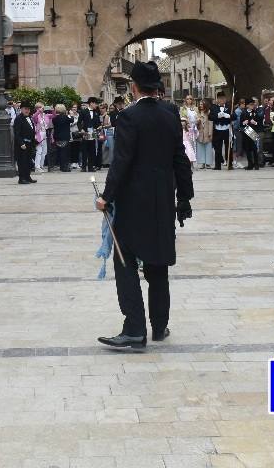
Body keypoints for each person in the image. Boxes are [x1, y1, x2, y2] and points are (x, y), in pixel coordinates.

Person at [96, 61, 193, 350]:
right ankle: (159, 326)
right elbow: (181, 159)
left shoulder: (128, 117)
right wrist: (184, 197)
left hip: (133, 203)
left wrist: (106, 196)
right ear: (157, 87)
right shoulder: (170, 113)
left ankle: (135, 329)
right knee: (158, 263)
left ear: (135, 88)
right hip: (162, 201)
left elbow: (121, 162)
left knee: (125, 263)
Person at [14, 99, 36, 184]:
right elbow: (17, 133)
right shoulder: (18, 119)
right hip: (22, 144)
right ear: (21, 109)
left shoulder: (29, 118)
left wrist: (33, 142)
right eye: (25, 109)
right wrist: (21, 143)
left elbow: (31, 130)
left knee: (28, 161)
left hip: (29, 143)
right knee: (22, 162)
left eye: (28, 109)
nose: (27, 110)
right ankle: (22, 178)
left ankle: (27, 176)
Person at [209, 92, 232, 169]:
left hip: (227, 129)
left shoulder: (229, 107)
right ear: (217, 99)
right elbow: (210, 117)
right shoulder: (214, 107)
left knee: (228, 147)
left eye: (223, 98)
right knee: (217, 148)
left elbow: (234, 116)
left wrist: (228, 116)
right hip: (217, 130)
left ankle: (229, 164)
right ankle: (217, 165)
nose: (222, 100)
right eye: (220, 98)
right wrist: (217, 116)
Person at [52, 104, 72, 172]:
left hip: (57, 137)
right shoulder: (65, 117)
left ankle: (61, 166)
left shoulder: (54, 118)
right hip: (65, 137)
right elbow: (71, 120)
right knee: (65, 153)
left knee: (60, 152)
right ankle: (64, 167)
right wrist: (71, 115)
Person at [180, 95, 199, 167]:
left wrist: (197, 121)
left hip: (195, 127)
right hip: (187, 128)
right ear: (185, 100)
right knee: (188, 146)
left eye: (190, 99)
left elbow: (198, 117)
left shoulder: (195, 108)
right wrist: (186, 123)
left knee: (194, 145)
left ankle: (193, 162)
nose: (189, 100)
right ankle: (187, 162)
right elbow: (181, 117)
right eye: (187, 99)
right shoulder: (183, 109)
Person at [195, 100, 213, 168]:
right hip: (200, 132)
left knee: (208, 148)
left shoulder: (208, 112)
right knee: (200, 148)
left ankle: (208, 163)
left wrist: (210, 133)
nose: (200, 105)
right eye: (200, 104)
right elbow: (195, 124)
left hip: (207, 132)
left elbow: (211, 123)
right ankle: (202, 163)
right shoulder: (197, 112)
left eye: (202, 104)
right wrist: (197, 121)